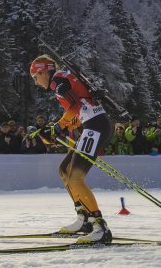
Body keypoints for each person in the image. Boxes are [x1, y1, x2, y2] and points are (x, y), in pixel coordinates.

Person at [30, 54, 113, 243]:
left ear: (43, 71)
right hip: (94, 124)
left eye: (35, 76)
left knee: (75, 177)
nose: (36, 82)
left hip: (96, 127)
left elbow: (74, 106)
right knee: (64, 170)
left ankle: (99, 227)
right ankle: (84, 218)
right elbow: (81, 109)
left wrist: (58, 127)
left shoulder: (58, 82)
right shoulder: (63, 78)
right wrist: (58, 128)